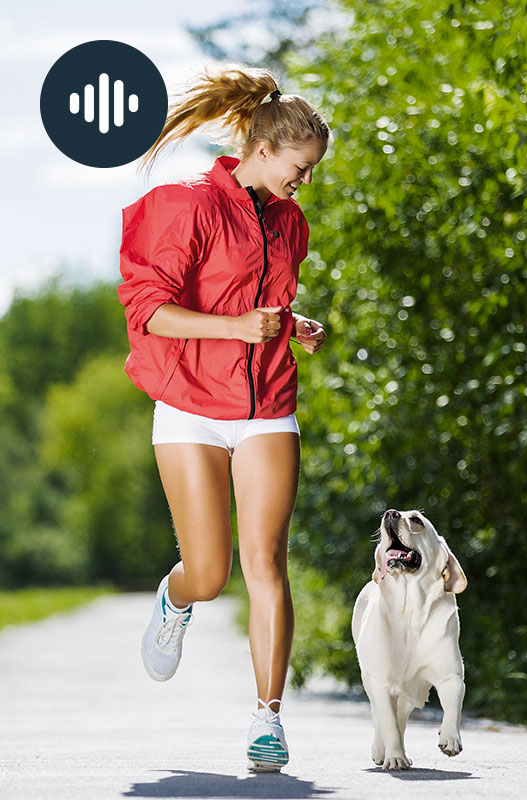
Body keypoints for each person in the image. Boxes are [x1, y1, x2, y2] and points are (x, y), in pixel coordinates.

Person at [117, 65, 332, 772]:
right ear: (265, 150)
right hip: (189, 407)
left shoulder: (289, 221)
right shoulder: (185, 206)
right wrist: (238, 327)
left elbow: (256, 301)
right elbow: (150, 310)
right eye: (301, 168)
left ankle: (267, 719)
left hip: (267, 404)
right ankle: (175, 600)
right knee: (210, 574)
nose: (305, 182)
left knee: (266, 561)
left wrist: (289, 325)